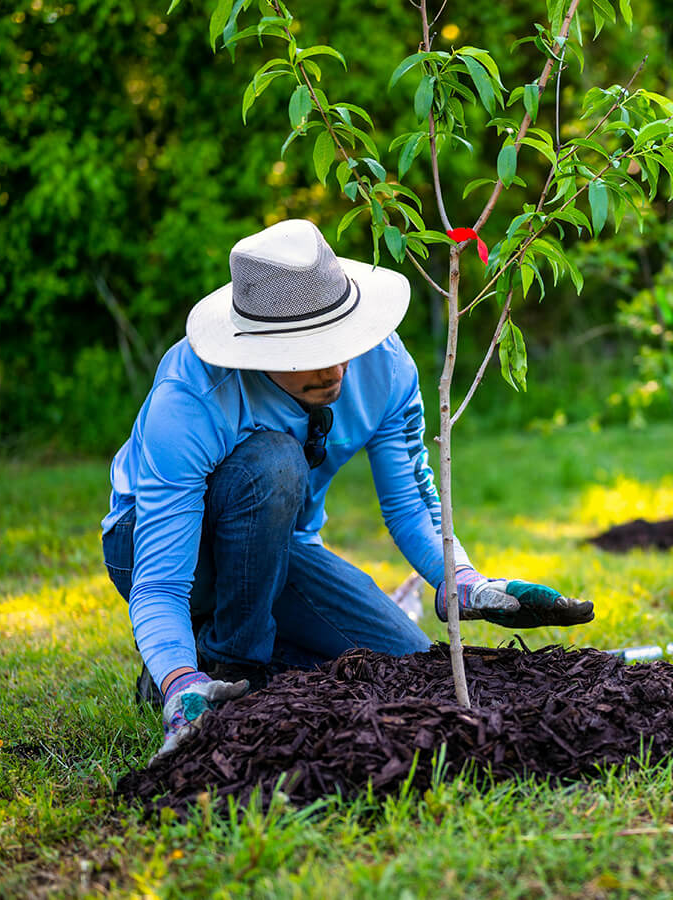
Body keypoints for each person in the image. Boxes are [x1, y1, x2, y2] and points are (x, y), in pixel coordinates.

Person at [101, 219, 594, 758]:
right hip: (158, 548)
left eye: (342, 341)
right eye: (308, 351)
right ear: (257, 350)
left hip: (279, 549)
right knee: (274, 461)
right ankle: (216, 669)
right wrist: (179, 682)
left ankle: (216, 656)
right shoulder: (193, 398)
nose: (336, 367)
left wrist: (463, 582)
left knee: (404, 661)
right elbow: (160, 582)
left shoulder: (383, 366)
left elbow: (411, 503)